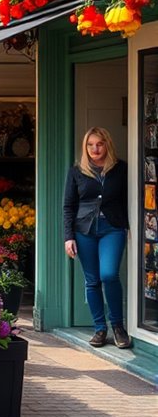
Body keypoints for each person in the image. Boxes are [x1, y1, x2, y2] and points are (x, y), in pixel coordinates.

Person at [63, 127, 131, 350]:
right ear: (85, 147)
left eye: (99, 144)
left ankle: (118, 327)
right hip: (84, 231)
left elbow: (130, 199)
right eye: (90, 145)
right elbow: (68, 206)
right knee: (92, 281)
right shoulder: (76, 171)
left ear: (107, 144)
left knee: (109, 274)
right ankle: (100, 329)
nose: (95, 149)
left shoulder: (121, 169)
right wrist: (68, 237)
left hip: (112, 228)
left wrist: (130, 225)